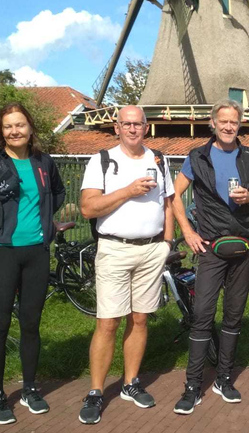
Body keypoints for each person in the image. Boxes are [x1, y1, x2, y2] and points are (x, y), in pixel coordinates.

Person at [0, 102, 65, 425]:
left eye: (20, 125)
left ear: (30, 128)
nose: (14, 131)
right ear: (1, 131)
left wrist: (44, 226)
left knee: (31, 324)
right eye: (8, 126)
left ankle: (30, 388)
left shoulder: (43, 162)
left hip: (36, 251)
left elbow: (58, 194)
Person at [171, 99, 249, 415]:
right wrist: (187, 232)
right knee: (202, 314)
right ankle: (192, 385)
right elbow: (174, 196)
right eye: (223, 121)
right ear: (212, 123)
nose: (229, 126)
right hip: (211, 246)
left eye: (234, 122)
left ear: (239, 125)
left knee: (234, 314)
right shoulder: (197, 156)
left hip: (244, 244)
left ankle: (224, 378)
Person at [77, 106, 174, 424]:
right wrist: (127, 191)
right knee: (108, 322)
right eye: (127, 124)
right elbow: (88, 208)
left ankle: (131, 383)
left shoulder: (158, 159)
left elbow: (169, 202)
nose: (133, 129)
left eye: (138, 124)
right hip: (115, 249)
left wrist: (167, 243)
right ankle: (95, 391)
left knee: (140, 319)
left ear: (147, 128)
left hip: (150, 251)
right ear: (116, 128)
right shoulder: (101, 161)